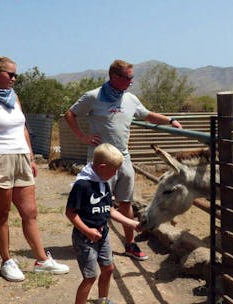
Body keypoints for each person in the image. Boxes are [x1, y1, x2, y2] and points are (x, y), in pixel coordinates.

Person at [65, 59, 182, 261]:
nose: (132, 81)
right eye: (128, 77)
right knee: (96, 203)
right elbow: (70, 114)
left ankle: (129, 243)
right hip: (100, 159)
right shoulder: (93, 96)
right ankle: (91, 240)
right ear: (114, 77)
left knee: (125, 202)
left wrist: (170, 121)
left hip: (124, 158)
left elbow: (147, 115)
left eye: (132, 77)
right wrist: (82, 137)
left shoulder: (130, 99)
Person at [0, 51, 69, 281]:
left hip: (21, 158)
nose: (15, 79)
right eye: (10, 74)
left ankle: (42, 260)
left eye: (16, 75)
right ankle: (7, 261)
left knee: (30, 212)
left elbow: (22, 127)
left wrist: (31, 157)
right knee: (2, 214)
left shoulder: (13, 96)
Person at [66, 143, 142, 304]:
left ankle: (103, 299)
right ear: (102, 166)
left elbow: (110, 211)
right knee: (90, 276)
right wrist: (87, 231)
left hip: (103, 235)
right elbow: (70, 213)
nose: (116, 174)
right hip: (85, 239)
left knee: (108, 268)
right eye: (114, 170)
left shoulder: (103, 182)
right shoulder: (82, 185)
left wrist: (132, 223)